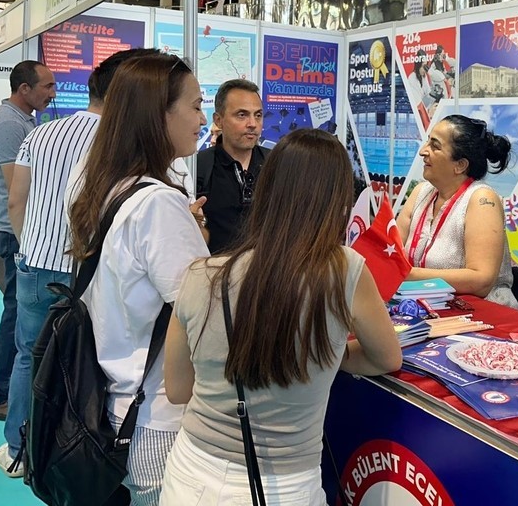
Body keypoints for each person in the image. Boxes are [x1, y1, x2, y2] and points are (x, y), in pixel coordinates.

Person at [161, 128, 401, 505]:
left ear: (266, 188)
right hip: (284, 485)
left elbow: (177, 390)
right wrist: (327, 353)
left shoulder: (200, 275)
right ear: (338, 200)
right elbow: (387, 358)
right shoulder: (345, 270)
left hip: (191, 475)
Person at [0, 49, 156, 477]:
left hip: (34, 261)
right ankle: (71, 450)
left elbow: (17, 199)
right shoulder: (119, 142)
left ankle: (18, 448)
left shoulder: (40, 134)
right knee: (82, 363)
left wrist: (30, 245)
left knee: (28, 355)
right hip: (85, 270)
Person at [68, 53, 209, 505]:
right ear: (158, 114)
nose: (202, 118)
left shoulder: (98, 183)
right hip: (154, 416)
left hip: (108, 397)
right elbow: (202, 315)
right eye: (194, 105)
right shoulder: (158, 204)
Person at [0, 60, 57, 422]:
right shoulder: (11, 124)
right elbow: (18, 190)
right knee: (16, 315)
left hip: (18, 230)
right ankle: (2, 395)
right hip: (15, 232)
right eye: (47, 86)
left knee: (18, 313)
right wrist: (30, 239)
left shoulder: (23, 120)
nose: (53, 93)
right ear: (24, 89)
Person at [395, 115, 518, 308]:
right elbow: (390, 252)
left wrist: (408, 275)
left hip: (481, 315)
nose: (422, 151)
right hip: (424, 308)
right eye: (428, 141)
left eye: (435, 146)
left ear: (460, 165)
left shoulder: (481, 200)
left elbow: (481, 280)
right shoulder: (420, 192)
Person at [196, 79, 266, 255]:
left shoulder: (278, 164)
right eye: (242, 115)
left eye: (258, 115)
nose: (252, 124)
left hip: (267, 276)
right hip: (214, 275)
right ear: (218, 120)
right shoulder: (198, 167)